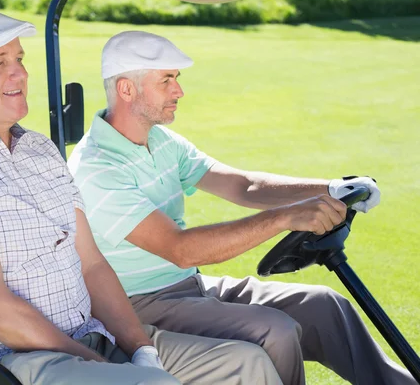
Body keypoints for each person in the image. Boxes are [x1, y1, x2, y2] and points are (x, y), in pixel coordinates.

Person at [0, 10, 283, 385]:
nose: (20, 72)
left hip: (93, 338)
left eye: (19, 58)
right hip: (8, 363)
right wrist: (104, 365)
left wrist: (140, 349)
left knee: (247, 364)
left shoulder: (40, 151)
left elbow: (92, 265)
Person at [67, 30, 416, 385]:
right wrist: (284, 217)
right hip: (137, 304)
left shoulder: (160, 141)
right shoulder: (97, 168)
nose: (179, 91)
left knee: (323, 305)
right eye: (167, 80)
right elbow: (181, 250)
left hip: (191, 286)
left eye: (177, 79)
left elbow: (242, 185)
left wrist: (330, 187)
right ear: (127, 89)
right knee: (274, 330)